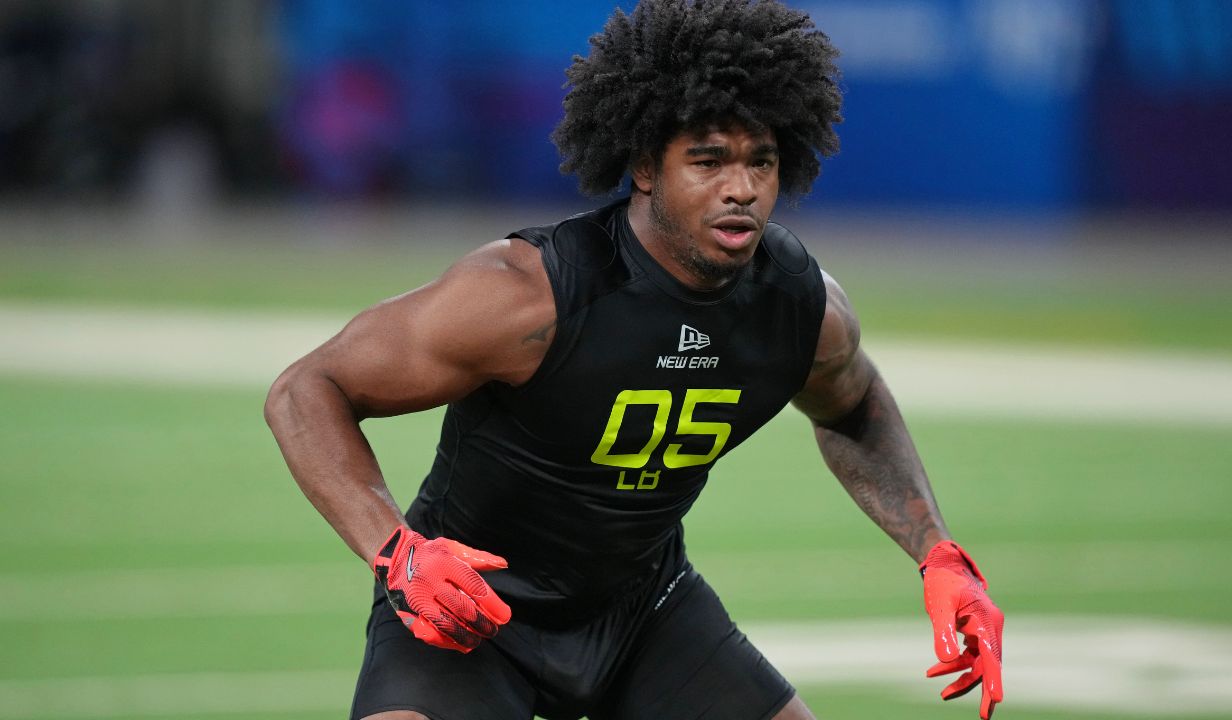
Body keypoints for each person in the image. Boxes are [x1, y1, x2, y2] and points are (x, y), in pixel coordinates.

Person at [264, 1, 1005, 719]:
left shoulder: (800, 308)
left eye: (761, 161)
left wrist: (938, 553)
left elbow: (855, 407)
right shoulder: (529, 295)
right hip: (469, 608)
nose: (741, 189)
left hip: (645, 610)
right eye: (708, 160)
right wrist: (398, 554)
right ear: (646, 165)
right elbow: (306, 389)